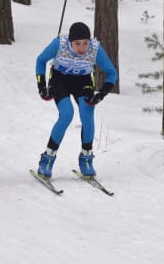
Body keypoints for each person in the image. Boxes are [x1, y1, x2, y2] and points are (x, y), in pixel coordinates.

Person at [35, 22, 118, 179]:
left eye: (85, 43)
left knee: (87, 114)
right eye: (77, 44)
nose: (82, 48)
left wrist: (102, 93)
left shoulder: (95, 48)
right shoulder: (59, 44)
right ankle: (47, 158)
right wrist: (41, 85)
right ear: (70, 42)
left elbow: (111, 73)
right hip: (60, 79)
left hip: (83, 80)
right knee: (67, 114)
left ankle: (86, 158)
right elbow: (41, 60)